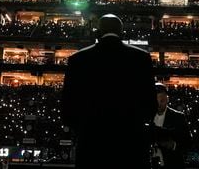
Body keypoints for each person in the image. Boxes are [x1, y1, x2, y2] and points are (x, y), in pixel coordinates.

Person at [61, 14, 157, 169]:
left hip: (91, 143)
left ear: (98, 31)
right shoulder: (141, 57)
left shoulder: (78, 59)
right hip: (131, 143)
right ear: (121, 31)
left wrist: (84, 128)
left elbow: (68, 106)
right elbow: (151, 104)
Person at [151, 83, 191, 169]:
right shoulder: (146, 116)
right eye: (156, 101)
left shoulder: (178, 117)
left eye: (162, 101)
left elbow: (188, 142)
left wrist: (173, 145)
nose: (159, 105)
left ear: (167, 99)